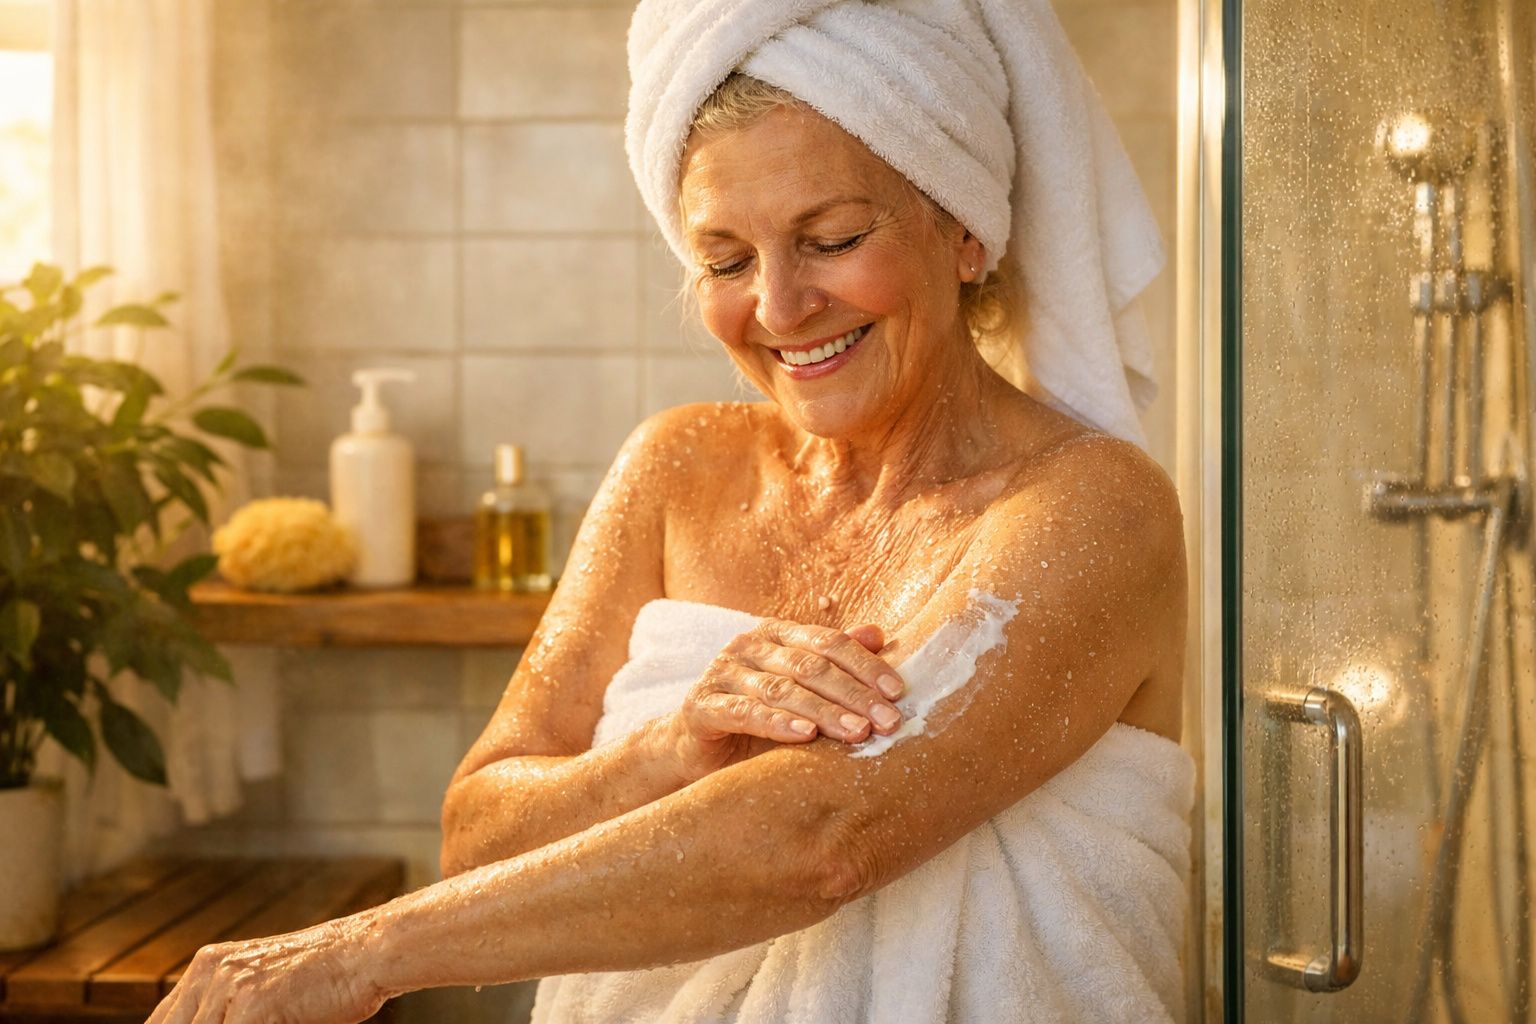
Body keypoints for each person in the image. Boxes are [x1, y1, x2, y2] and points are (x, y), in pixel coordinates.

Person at [149, 1, 1192, 1022]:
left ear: (965, 230)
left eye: (830, 238)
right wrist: (668, 750)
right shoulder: (677, 470)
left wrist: (364, 952)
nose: (779, 309)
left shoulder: (1094, 507)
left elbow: (826, 830)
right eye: (727, 261)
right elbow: (479, 840)